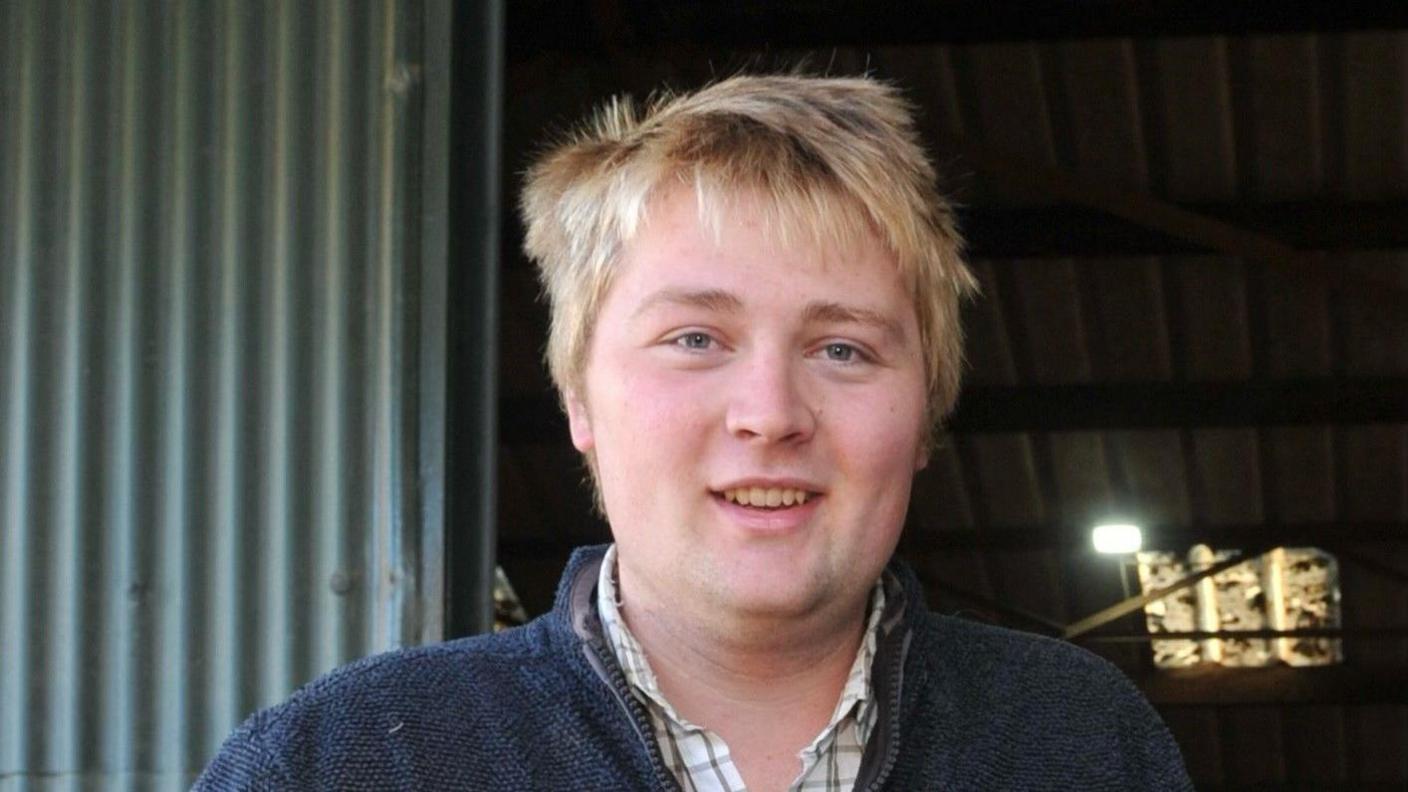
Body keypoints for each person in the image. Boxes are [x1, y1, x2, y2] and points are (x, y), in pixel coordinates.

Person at [197, 73, 1193, 791]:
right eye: (694, 338)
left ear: (925, 414)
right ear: (578, 399)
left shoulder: (1079, 744)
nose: (769, 413)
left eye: (842, 349)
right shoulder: (345, 761)